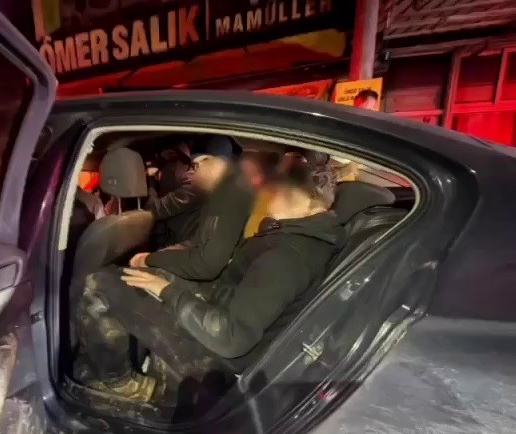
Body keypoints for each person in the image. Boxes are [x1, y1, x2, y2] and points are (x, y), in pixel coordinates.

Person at [75, 156, 342, 397]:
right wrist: (163, 277)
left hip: (217, 355)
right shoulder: (299, 234)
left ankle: (120, 384)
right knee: (140, 275)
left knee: (98, 285)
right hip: (219, 305)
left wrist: (168, 291)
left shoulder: (287, 257)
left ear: (313, 204)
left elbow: (231, 337)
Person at [129, 136, 254, 281]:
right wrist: (161, 255)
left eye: (194, 167)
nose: (191, 172)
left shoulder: (229, 205)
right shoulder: (220, 199)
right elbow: (196, 243)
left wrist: (149, 260)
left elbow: (205, 265)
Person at [144, 142, 203, 247]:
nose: (162, 174)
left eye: (169, 165)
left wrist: (151, 181)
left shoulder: (191, 189)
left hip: (189, 247)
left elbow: (152, 209)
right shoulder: (191, 184)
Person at [240, 150, 280, 238]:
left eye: (253, 173)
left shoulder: (272, 199)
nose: (248, 180)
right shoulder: (247, 199)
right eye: (245, 175)